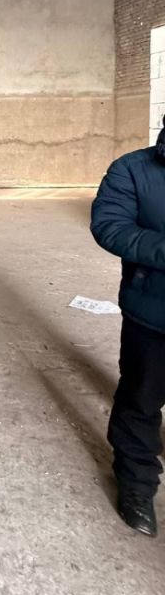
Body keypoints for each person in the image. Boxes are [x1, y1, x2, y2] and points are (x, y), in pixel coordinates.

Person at [91, 115, 165, 537]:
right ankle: (137, 483)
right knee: (141, 399)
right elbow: (110, 227)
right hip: (152, 315)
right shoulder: (132, 169)